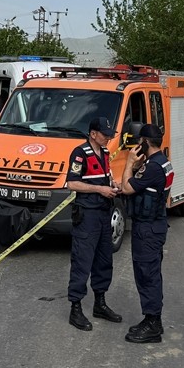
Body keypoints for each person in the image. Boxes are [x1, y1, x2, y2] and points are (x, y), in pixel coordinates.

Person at [66, 116, 122, 331]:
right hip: (87, 215)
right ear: (93, 134)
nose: (108, 138)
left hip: (104, 213)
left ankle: (100, 303)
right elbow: (72, 183)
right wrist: (100, 189)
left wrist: (113, 184)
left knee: (104, 259)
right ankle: (76, 308)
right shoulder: (80, 153)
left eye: (109, 134)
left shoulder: (105, 153)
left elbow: (105, 176)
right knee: (82, 261)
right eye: (105, 134)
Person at [120, 123, 171, 344]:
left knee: (146, 275)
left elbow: (127, 188)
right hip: (155, 224)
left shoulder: (152, 167)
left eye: (140, 141)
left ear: (146, 142)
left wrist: (129, 163)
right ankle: (152, 320)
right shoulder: (162, 162)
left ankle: (152, 324)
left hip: (147, 228)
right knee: (151, 274)